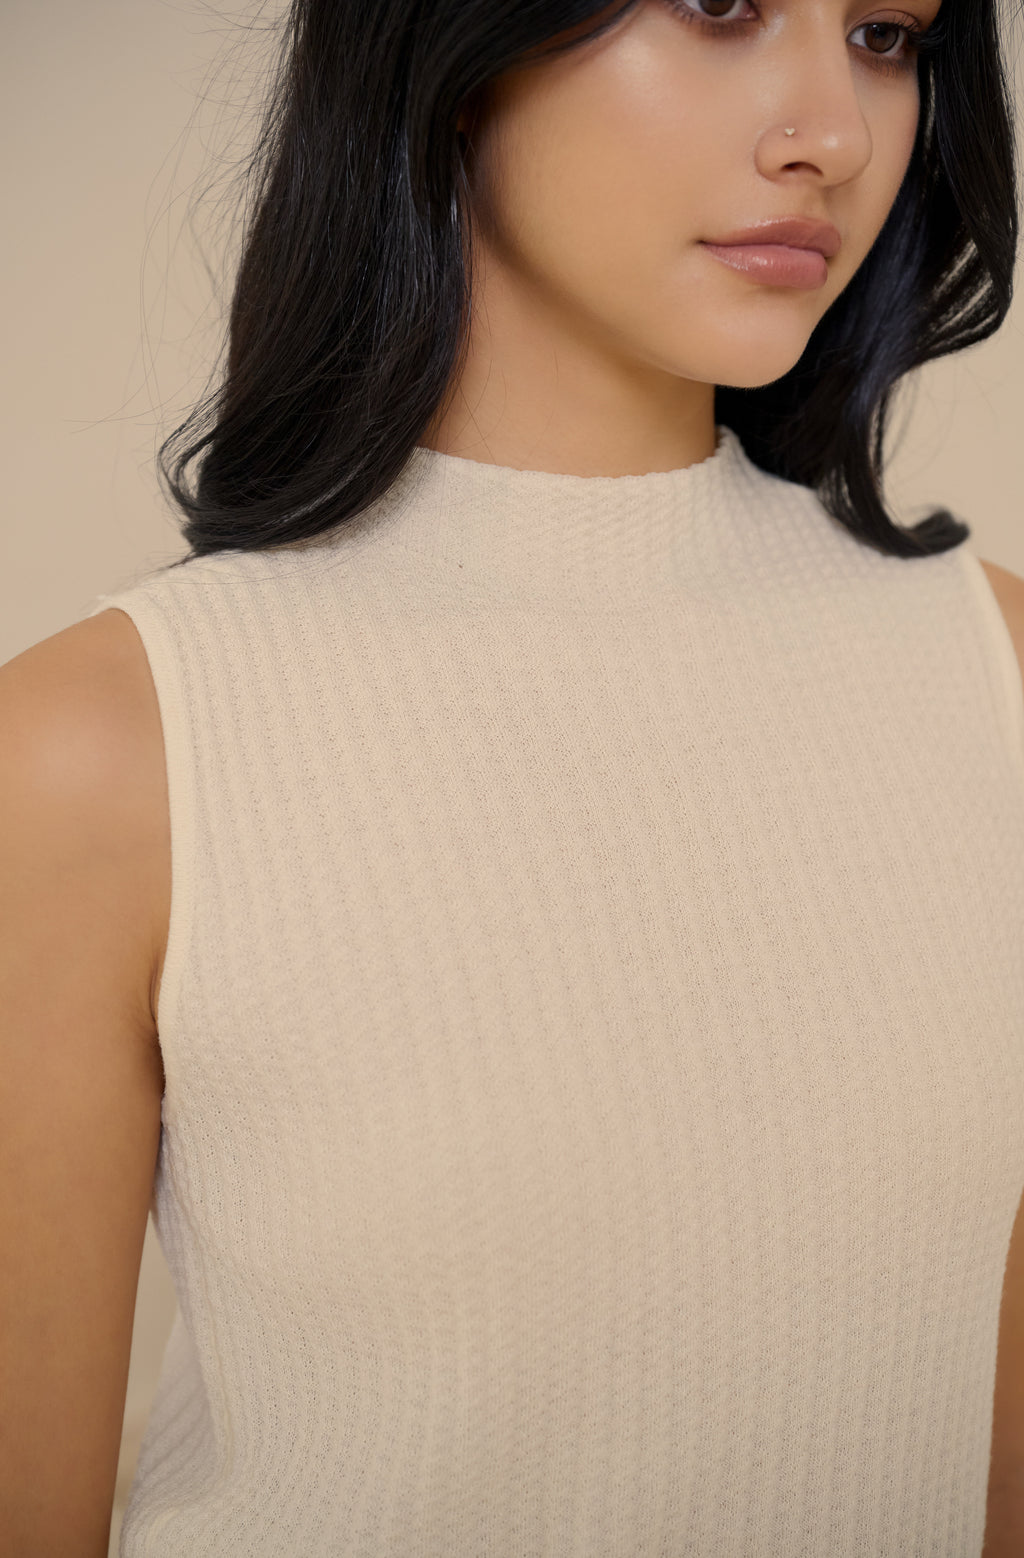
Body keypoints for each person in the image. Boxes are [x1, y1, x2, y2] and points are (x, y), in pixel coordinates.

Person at [2, 1, 1023, 1553]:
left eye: (886, 33)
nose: (834, 132)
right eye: (721, 5)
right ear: (454, 49)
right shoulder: (105, 755)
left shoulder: (997, 682)